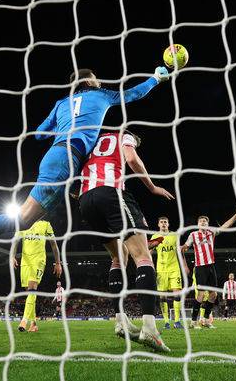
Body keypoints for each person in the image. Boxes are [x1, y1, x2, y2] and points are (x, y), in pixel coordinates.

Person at [0, 67, 170, 266]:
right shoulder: (101, 95)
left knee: (55, 207)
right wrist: (156, 78)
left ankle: (128, 239)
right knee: (23, 218)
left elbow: (39, 134)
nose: (99, 81)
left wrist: (66, 124)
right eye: (96, 78)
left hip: (56, 156)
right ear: (89, 81)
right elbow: (133, 94)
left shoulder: (61, 103)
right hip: (67, 158)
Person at [78, 130, 173, 352]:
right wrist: (152, 187)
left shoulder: (92, 140)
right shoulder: (123, 135)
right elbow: (131, 158)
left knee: (119, 256)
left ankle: (121, 321)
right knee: (143, 257)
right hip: (111, 191)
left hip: (85, 200)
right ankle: (149, 327)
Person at [182, 211, 236, 328]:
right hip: (200, 268)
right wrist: (183, 251)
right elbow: (185, 247)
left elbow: (225, 226)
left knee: (213, 295)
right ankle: (193, 322)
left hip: (211, 267)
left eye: (205, 221)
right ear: (198, 224)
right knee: (200, 295)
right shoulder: (193, 235)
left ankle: (205, 320)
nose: (203, 223)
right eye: (201, 221)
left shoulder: (211, 232)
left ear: (208, 224)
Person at [10, 220, 62, 332]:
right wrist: (12, 256)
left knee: (32, 290)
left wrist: (58, 263)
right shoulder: (22, 223)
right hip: (25, 262)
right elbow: (15, 241)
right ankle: (33, 324)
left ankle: (24, 320)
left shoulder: (46, 224)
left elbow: (53, 244)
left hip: (38, 261)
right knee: (29, 293)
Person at [151, 217, 187, 329]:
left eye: (165, 222)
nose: (163, 224)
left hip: (174, 268)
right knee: (162, 297)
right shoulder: (154, 236)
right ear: (158, 224)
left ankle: (177, 321)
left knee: (177, 294)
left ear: (168, 224)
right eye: (161, 222)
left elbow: (179, 251)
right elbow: (149, 252)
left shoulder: (174, 235)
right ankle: (166, 322)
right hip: (161, 270)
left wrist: (185, 265)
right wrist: (149, 265)